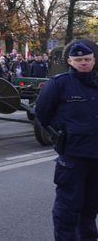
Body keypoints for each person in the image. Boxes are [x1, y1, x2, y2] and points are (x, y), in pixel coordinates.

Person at [35, 42, 98, 241]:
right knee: (67, 210)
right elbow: (42, 114)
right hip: (72, 157)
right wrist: (62, 133)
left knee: (90, 208)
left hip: (96, 157)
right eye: (79, 60)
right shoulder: (58, 84)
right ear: (70, 61)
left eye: (87, 59)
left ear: (94, 60)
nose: (84, 63)